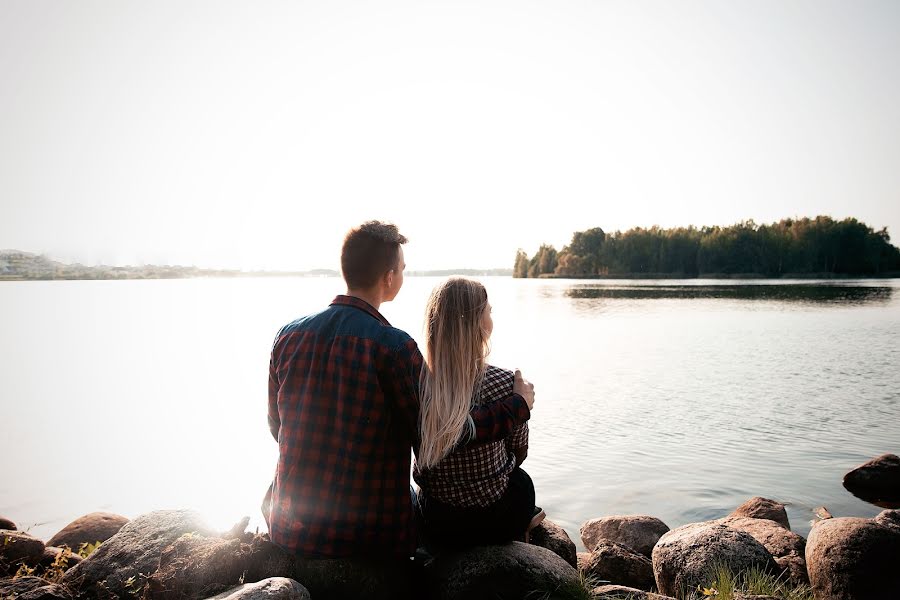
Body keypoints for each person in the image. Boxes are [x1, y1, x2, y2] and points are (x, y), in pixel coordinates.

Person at [264, 221, 535, 560]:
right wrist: (516, 406)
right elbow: (442, 433)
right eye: (403, 270)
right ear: (389, 278)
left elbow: (277, 428)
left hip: (288, 528)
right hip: (368, 537)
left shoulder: (287, 336)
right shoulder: (395, 348)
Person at [413, 277, 545, 548]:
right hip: (494, 517)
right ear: (479, 324)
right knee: (521, 481)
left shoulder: (416, 383)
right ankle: (520, 529)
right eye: (489, 312)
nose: (492, 318)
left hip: (438, 520)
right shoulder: (506, 383)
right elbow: (519, 451)